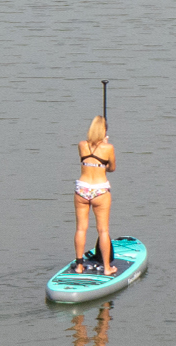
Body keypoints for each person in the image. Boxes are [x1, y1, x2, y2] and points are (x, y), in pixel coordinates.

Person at [73, 115, 117, 274]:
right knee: (103, 230)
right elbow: (111, 168)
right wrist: (104, 145)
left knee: (81, 228)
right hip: (100, 191)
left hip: (82, 189)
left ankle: (79, 266)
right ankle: (107, 268)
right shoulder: (108, 148)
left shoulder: (81, 145)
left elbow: (87, 162)